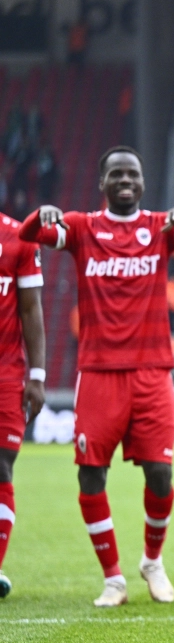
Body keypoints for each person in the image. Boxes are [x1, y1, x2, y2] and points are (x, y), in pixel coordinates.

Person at [20, 146, 174, 607]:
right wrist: (42, 213)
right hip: (97, 373)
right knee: (91, 476)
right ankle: (113, 578)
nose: (125, 180)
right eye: (116, 173)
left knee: (160, 474)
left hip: (153, 372)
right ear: (102, 183)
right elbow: (32, 234)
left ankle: (152, 561)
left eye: (132, 173)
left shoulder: (158, 229)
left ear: (143, 182)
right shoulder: (81, 227)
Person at [0, 212, 46, 598]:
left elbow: (30, 308)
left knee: (2, 465)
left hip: (6, 373)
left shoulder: (18, 236)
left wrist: (38, 375)